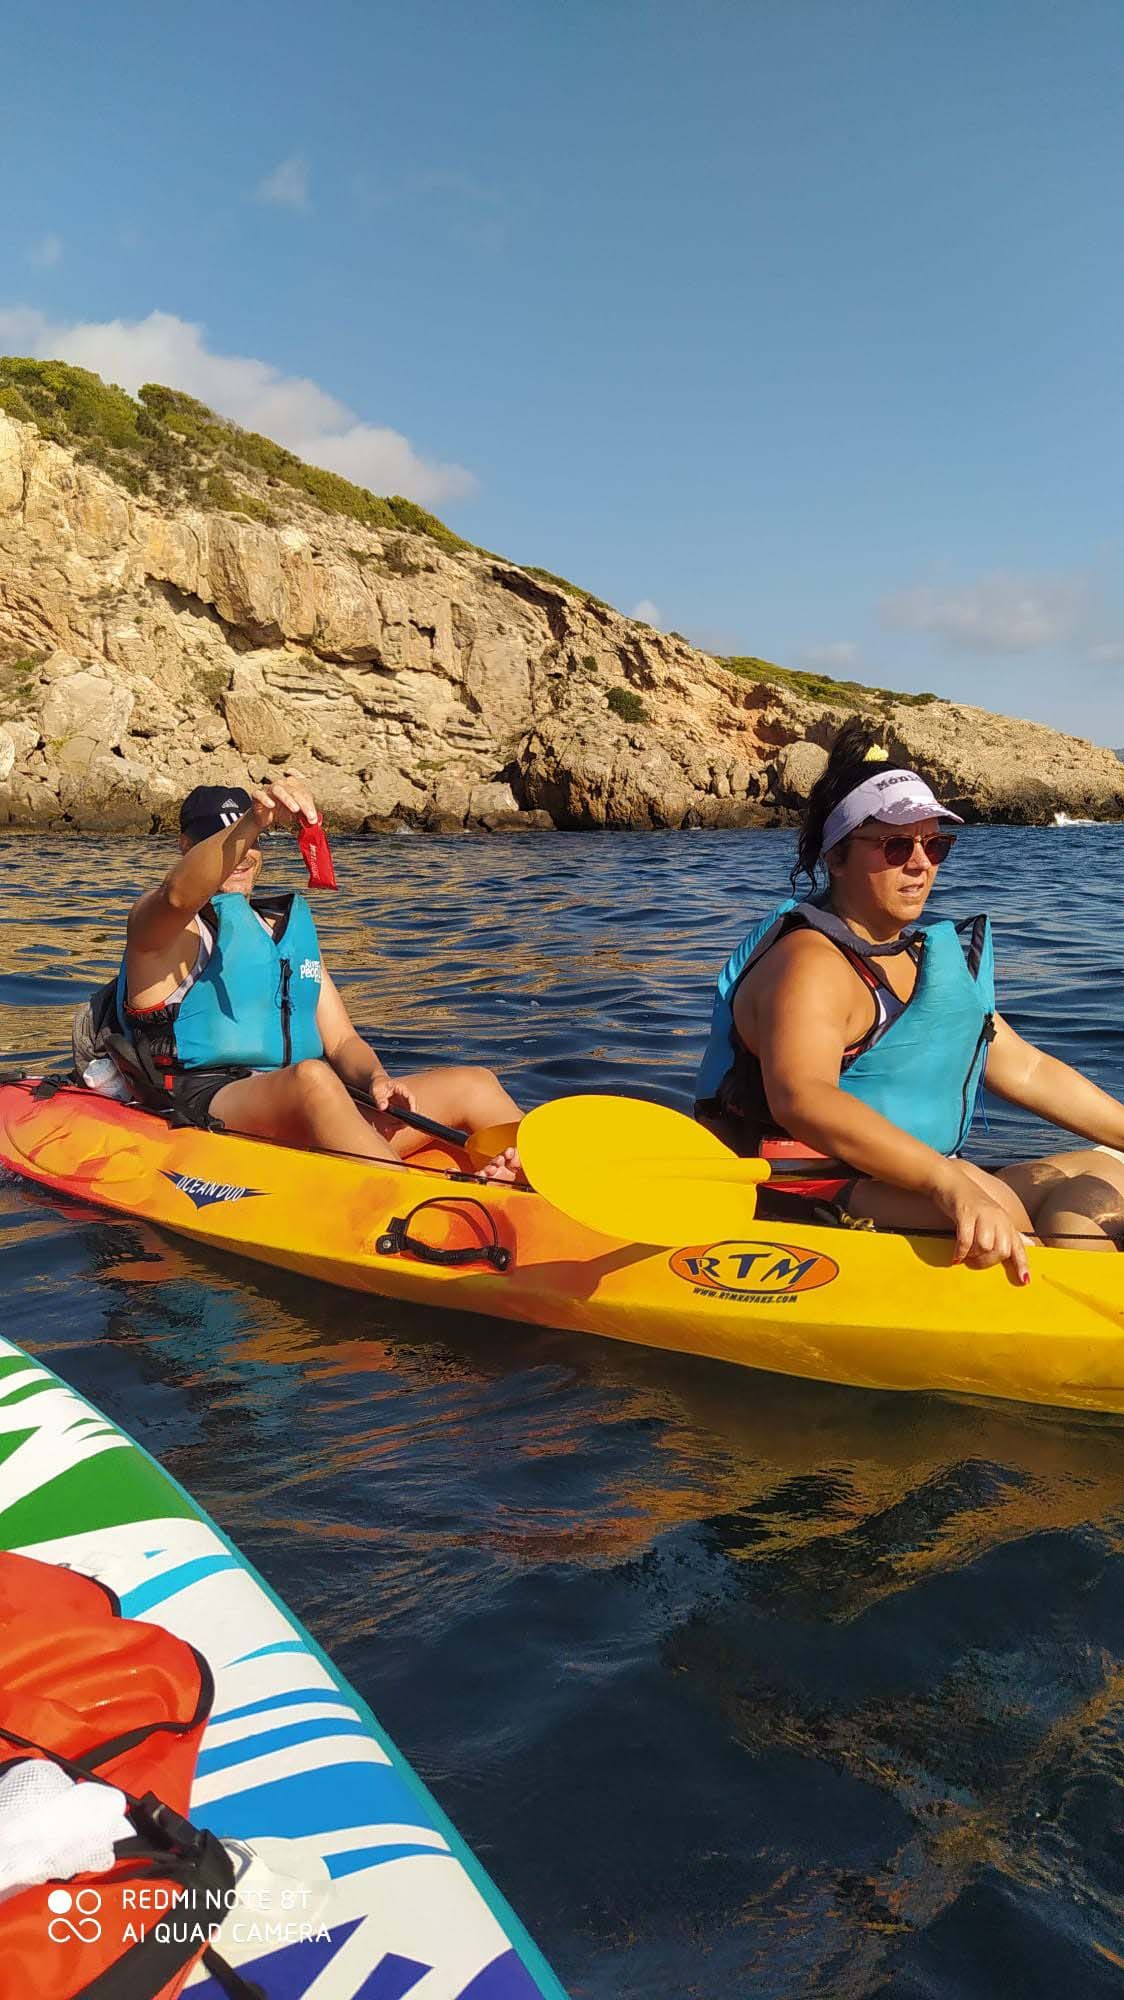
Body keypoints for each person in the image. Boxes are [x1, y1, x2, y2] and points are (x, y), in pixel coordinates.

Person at [695, 719, 1124, 1279]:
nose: (920, 863)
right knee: (1001, 1214)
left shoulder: (918, 954)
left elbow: (1026, 1068)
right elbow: (804, 1099)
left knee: (1108, 1169)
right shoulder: (810, 964)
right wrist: (947, 1184)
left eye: (935, 844)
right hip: (806, 1187)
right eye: (896, 845)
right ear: (837, 855)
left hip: (905, 1173)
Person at [117, 774, 522, 1178]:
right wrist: (252, 823)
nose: (243, 855)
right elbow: (177, 894)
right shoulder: (161, 928)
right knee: (313, 1076)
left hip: (307, 1101)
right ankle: (419, 1197)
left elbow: (342, 1040)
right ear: (186, 847)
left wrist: (376, 1078)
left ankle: (544, 1182)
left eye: (253, 844)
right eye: (222, 840)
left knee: (475, 1083)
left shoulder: (279, 933)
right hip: (209, 1098)